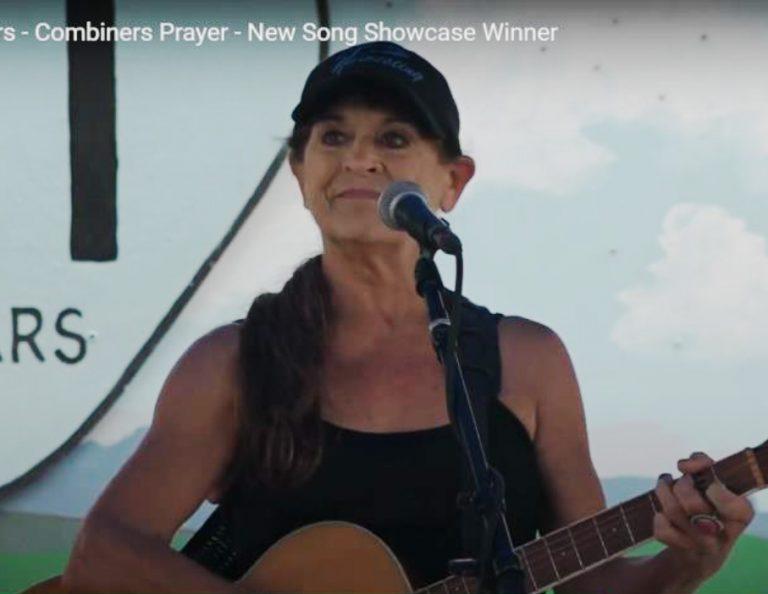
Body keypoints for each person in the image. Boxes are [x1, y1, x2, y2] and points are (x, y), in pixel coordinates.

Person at [62, 41, 754, 594]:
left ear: (454, 181)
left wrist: (685, 564)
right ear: (299, 171)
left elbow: (591, 582)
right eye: (333, 137)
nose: (360, 158)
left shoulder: (529, 362)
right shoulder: (233, 364)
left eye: (394, 139)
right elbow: (104, 552)